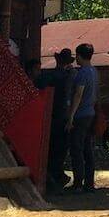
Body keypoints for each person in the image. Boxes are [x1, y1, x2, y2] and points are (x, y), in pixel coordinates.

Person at [42, 48, 76, 190]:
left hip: (52, 116)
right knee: (60, 150)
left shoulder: (49, 76)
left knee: (53, 149)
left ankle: (55, 177)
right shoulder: (69, 76)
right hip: (63, 116)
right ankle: (57, 176)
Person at [66, 43, 98, 193]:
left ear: (79, 55)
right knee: (87, 149)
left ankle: (78, 183)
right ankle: (89, 182)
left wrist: (71, 116)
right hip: (91, 113)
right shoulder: (94, 72)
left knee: (76, 149)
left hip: (80, 114)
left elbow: (78, 94)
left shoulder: (82, 73)